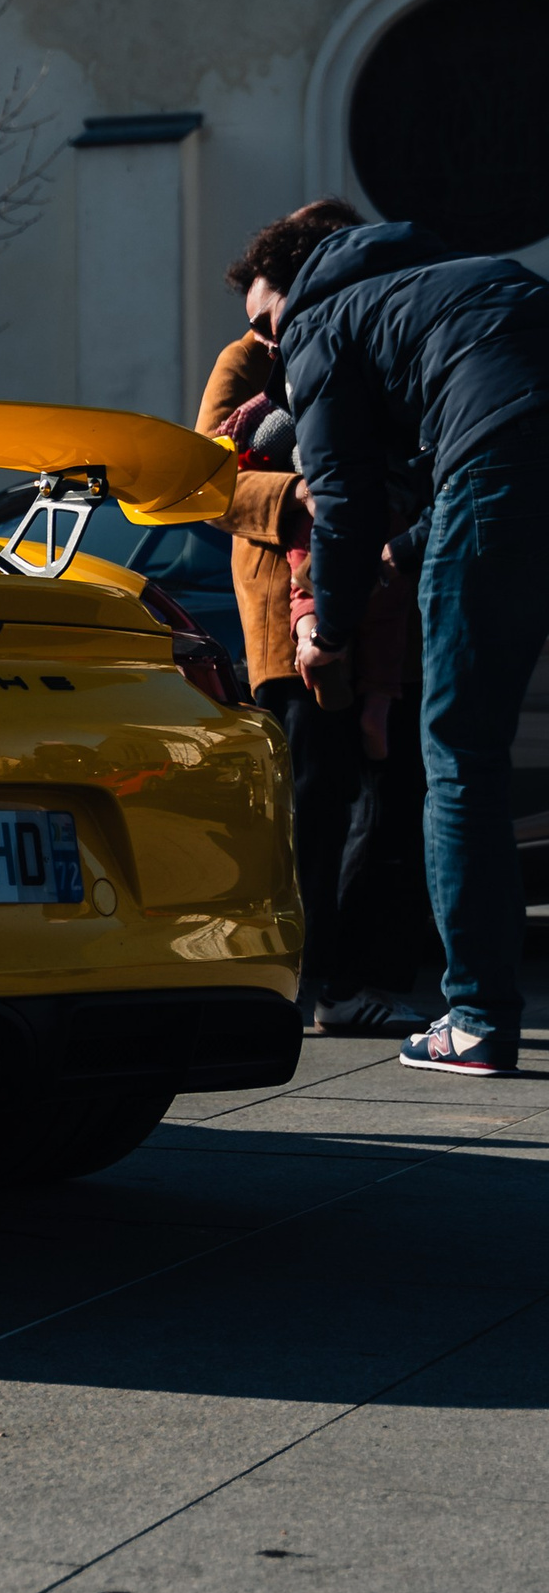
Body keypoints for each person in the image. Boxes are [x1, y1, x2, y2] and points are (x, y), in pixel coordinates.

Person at [245, 208, 549, 1078]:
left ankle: (479, 1019)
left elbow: (343, 498)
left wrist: (330, 630)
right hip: (506, 453)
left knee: (461, 752)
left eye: (268, 323)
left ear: (295, 290)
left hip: (499, 462)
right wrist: (400, 554)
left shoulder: (315, 323)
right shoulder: (461, 276)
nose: (271, 346)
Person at [205, 201, 427, 1032]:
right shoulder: (246, 358)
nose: (266, 333)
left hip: (386, 596)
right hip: (290, 613)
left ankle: (362, 977)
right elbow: (206, 479)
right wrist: (304, 489)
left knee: (392, 792)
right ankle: (313, 979)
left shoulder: (367, 334)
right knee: (315, 796)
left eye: (269, 311)